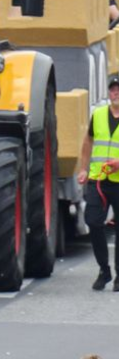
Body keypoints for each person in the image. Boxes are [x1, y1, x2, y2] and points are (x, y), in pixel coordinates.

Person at [75, 72, 119, 290]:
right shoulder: (99, 114)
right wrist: (83, 168)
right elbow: (88, 140)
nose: (116, 93)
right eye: (113, 89)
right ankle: (104, 269)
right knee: (93, 222)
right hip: (98, 180)